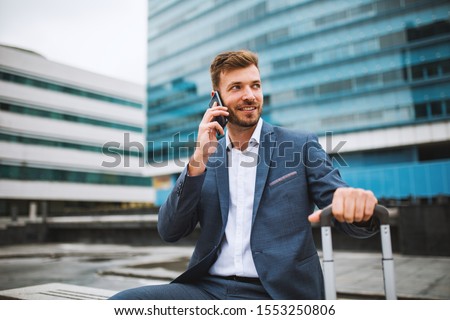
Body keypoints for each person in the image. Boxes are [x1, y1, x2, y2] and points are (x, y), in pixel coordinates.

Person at [110, 50, 379, 300]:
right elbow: (169, 230)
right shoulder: (206, 155)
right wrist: (197, 161)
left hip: (279, 292)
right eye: (236, 87)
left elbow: (341, 205)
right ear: (216, 98)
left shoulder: (299, 145)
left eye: (255, 85)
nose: (249, 95)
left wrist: (357, 207)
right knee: (119, 305)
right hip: (207, 289)